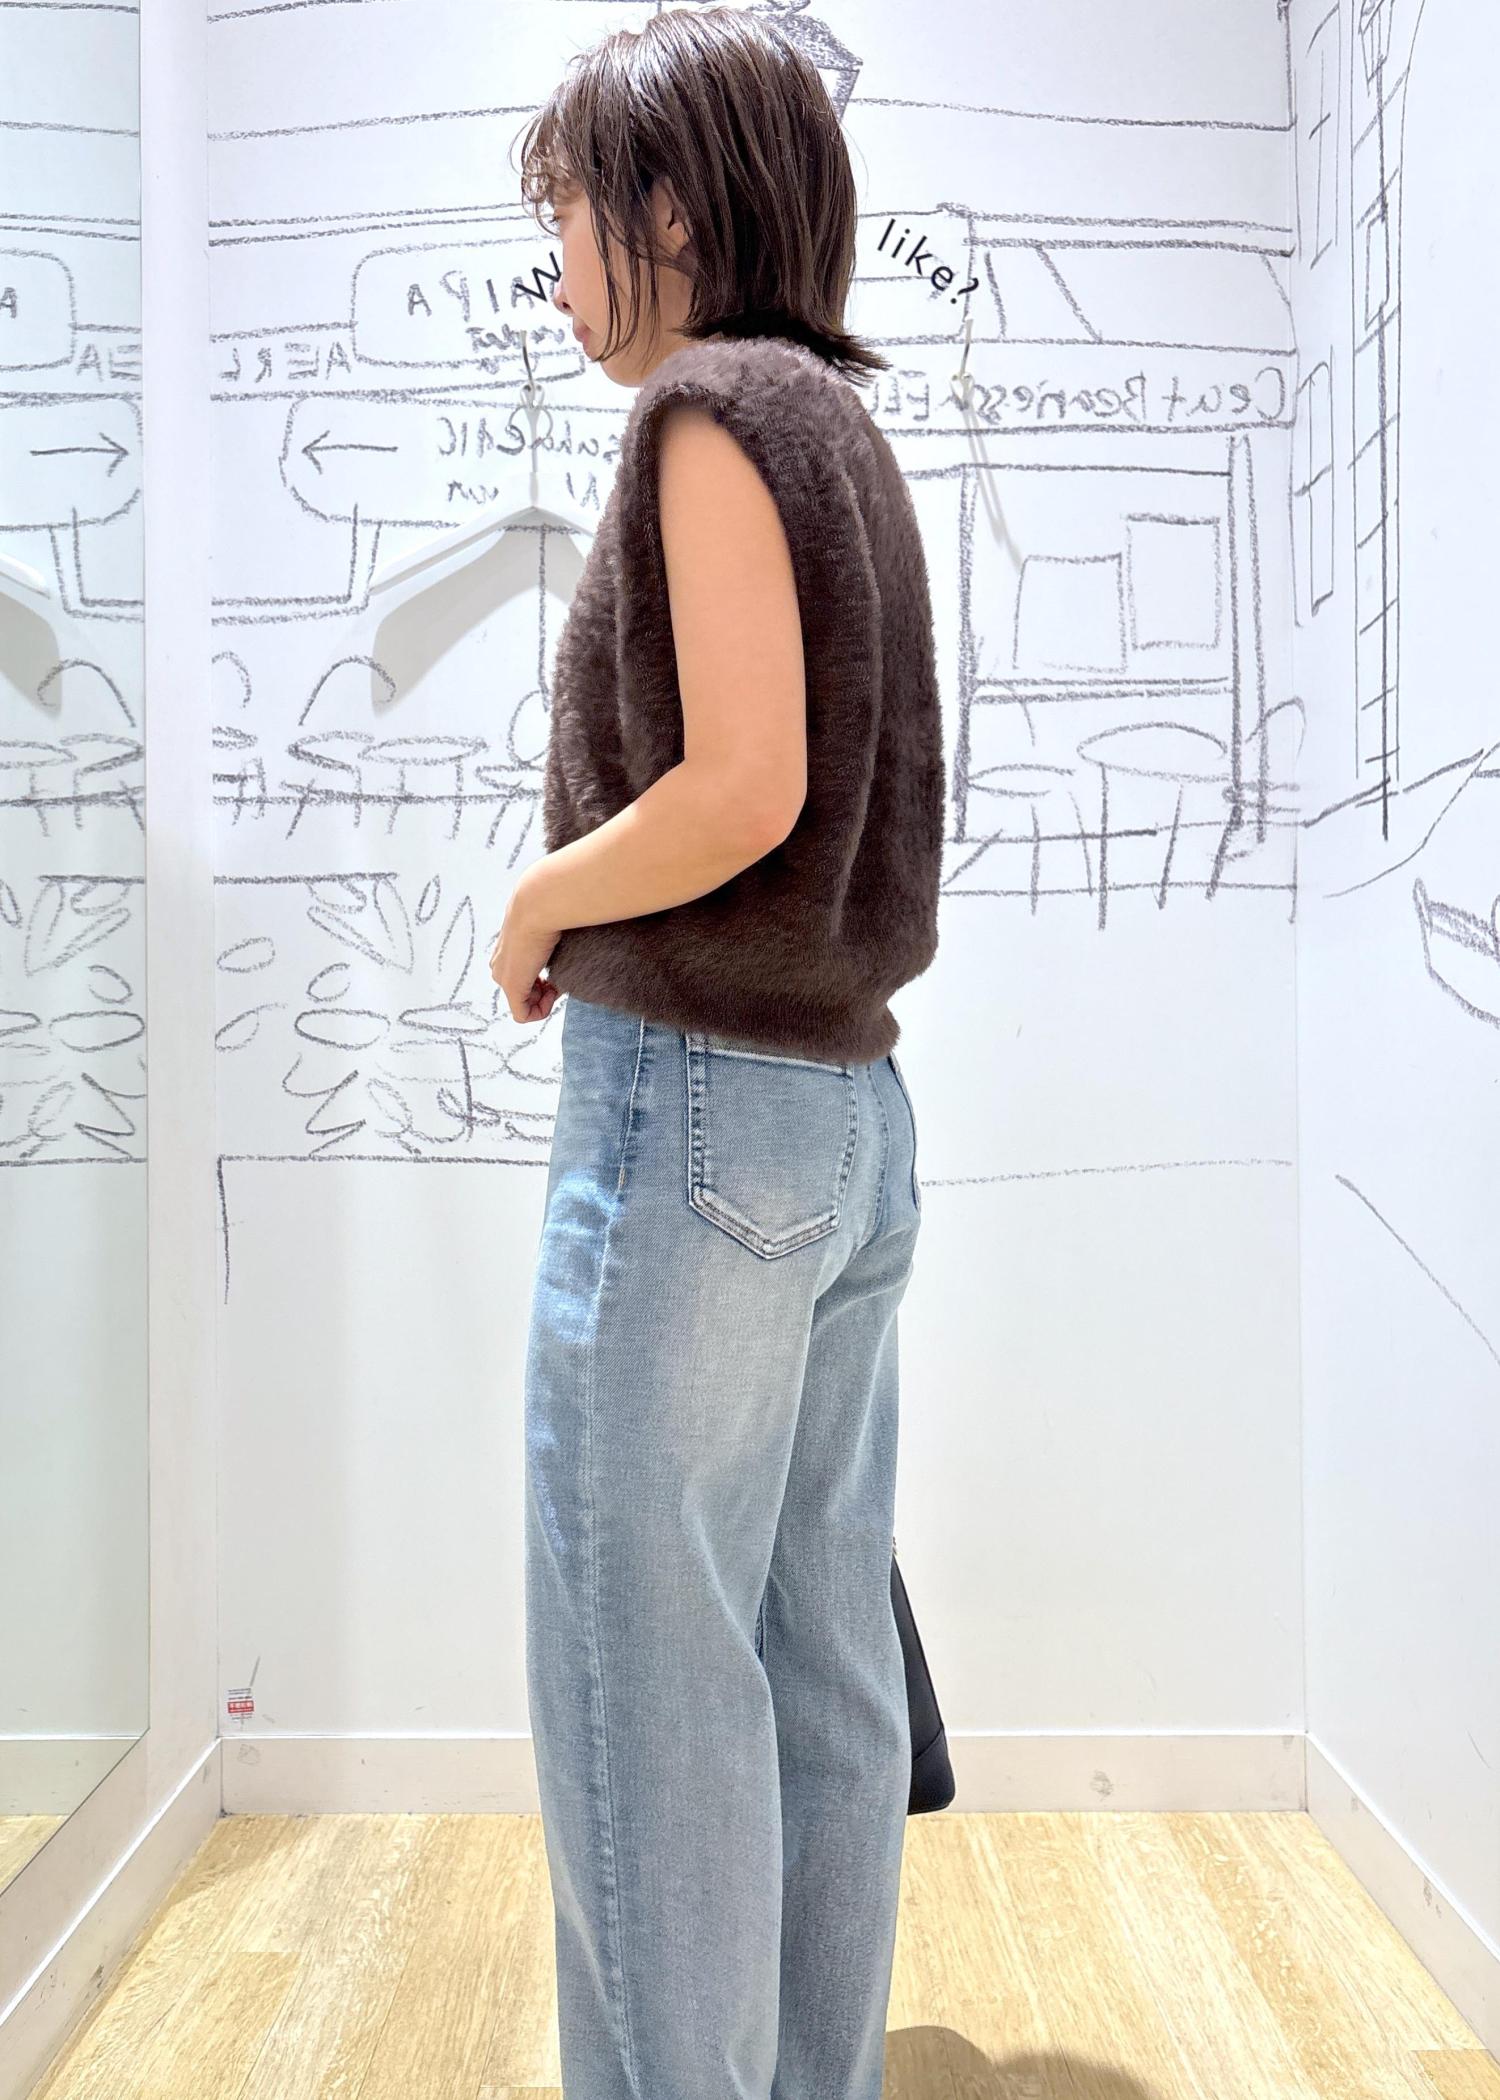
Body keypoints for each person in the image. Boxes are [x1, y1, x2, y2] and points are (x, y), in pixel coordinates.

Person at [489, 9, 944, 2097]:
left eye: (569, 224)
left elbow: (744, 787)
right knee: (814, 1660)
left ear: (670, 212)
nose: (556, 277)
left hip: (697, 1111)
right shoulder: (838, 427)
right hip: (845, 1120)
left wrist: (540, 896)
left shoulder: (705, 412)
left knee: (647, 1680)